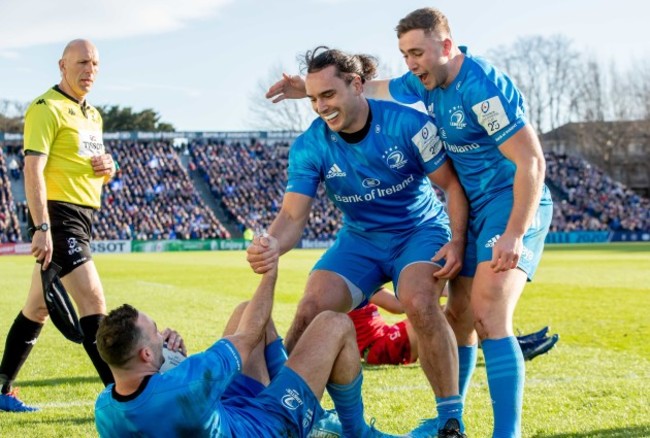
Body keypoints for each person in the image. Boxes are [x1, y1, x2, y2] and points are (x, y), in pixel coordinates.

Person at [265, 9, 554, 437]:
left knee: (486, 310)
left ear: (446, 45)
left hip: (506, 203)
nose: (411, 63)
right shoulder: (424, 82)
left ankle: (498, 430)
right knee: (456, 314)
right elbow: (378, 86)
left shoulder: (480, 88)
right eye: (405, 54)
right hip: (456, 213)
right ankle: (444, 419)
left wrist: (511, 232)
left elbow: (531, 160)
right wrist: (302, 91)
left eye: (417, 52)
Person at [249, 46, 469, 437]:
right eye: (314, 98)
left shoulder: (409, 124)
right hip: (360, 240)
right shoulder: (310, 145)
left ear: (357, 85)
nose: (320, 107)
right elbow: (292, 217)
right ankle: (289, 411)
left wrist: (457, 241)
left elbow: (451, 186)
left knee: (418, 301)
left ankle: (449, 419)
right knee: (312, 307)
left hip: (418, 231)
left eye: (328, 95)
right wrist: (270, 243)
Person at [94, 234, 398, 437]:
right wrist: (271, 271)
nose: (162, 335)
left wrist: (172, 358)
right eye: (155, 332)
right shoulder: (188, 383)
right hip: (267, 427)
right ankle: (356, 432)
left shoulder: (105, 407)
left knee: (243, 310)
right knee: (334, 323)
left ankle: (313, 413)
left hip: (226, 412)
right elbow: (248, 336)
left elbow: (166, 401)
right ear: (145, 355)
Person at [0, 39, 117, 413]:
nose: (90, 70)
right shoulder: (45, 108)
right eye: (82, 62)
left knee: (36, 310)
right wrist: (42, 227)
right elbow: (33, 168)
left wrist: (108, 170)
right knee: (93, 301)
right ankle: (124, 399)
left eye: (95, 64)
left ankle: (1, 388)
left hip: (85, 218)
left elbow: (93, 170)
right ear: (62, 65)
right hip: (59, 218)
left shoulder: (93, 115)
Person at [351, 288, 559, 366]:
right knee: (441, 314)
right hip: (378, 348)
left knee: (448, 313)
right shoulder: (358, 285)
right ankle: (515, 348)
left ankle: (515, 344)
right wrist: (448, 293)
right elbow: (398, 305)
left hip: (384, 340)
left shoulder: (357, 281)